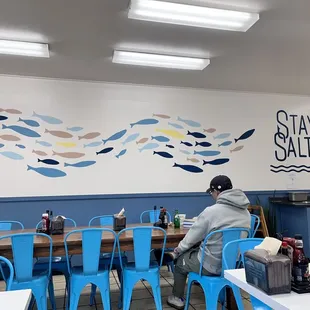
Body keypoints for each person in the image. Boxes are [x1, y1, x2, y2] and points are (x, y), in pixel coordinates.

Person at [167, 175, 251, 310]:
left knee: (181, 261)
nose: (211, 196)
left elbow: (191, 238)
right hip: (232, 265)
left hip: (210, 266)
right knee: (194, 252)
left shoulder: (211, 211)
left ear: (216, 192)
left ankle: (177, 298)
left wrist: (178, 250)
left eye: (211, 193)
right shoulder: (246, 213)